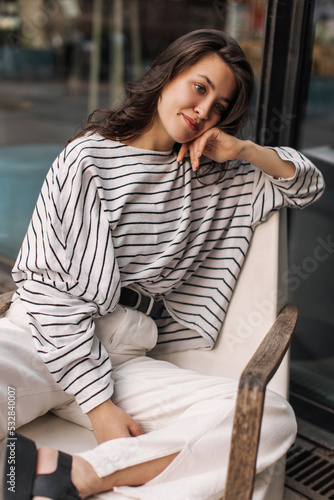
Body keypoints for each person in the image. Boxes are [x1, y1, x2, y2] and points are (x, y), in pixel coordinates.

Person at [0, 29, 324, 499]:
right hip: (42, 341)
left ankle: (81, 475)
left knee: (267, 417)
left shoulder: (218, 178)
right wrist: (99, 407)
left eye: (220, 107)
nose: (204, 111)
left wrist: (244, 150)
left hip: (124, 357)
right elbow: (53, 293)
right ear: (168, 74)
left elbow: (306, 186)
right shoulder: (89, 158)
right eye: (200, 87)